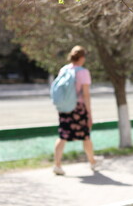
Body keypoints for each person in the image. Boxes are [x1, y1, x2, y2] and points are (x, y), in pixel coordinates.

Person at [53, 46, 100, 175]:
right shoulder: (83, 72)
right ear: (82, 58)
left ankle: (57, 165)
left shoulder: (64, 69)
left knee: (62, 135)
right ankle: (92, 162)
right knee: (85, 136)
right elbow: (86, 95)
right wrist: (89, 114)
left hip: (65, 108)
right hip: (78, 108)